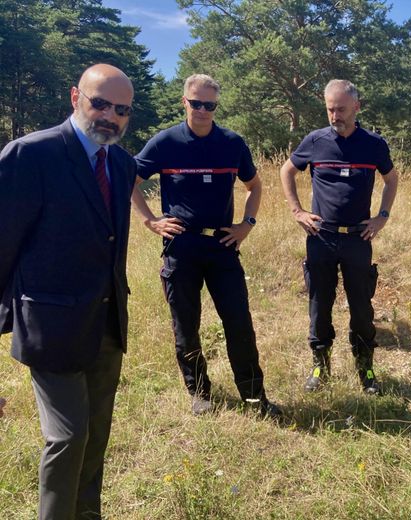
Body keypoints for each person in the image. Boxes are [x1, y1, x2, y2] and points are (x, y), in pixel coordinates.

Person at [0, 64, 136, 520]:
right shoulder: (30, 155)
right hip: (51, 328)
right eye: (100, 103)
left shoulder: (121, 162)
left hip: (106, 325)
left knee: (96, 436)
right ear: (76, 96)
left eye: (121, 110)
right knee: (68, 437)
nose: (110, 116)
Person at [131, 74, 280, 417]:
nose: (201, 110)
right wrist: (150, 221)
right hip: (181, 247)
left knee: (239, 322)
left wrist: (247, 224)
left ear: (216, 106)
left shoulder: (232, 143)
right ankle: (199, 393)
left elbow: (254, 187)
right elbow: (130, 181)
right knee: (186, 323)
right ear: (184, 101)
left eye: (209, 105)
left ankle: (255, 397)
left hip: (222, 245)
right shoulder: (165, 142)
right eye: (195, 103)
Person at [279, 79, 399, 394]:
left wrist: (381, 217)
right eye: (330, 109)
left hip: (358, 238)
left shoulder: (373, 144)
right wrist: (297, 211)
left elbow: (391, 179)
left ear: (356, 107)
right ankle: (321, 365)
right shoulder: (315, 141)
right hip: (321, 237)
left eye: (341, 109)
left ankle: (365, 368)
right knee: (320, 304)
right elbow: (286, 171)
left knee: (361, 306)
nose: (335, 116)